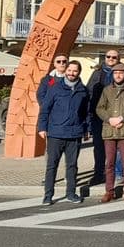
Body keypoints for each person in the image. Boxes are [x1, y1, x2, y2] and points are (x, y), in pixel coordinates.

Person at [37, 60, 89, 205]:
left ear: (79, 72)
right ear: (65, 71)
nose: (72, 73)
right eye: (70, 70)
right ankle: (48, 195)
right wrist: (42, 128)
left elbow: (86, 113)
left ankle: (71, 193)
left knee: (72, 166)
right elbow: (45, 109)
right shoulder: (55, 88)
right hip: (56, 133)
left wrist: (86, 130)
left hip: (74, 134)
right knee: (52, 166)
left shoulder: (83, 90)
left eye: (75, 71)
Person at [96, 63, 124, 203]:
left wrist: (123, 118)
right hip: (109, 130)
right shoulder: (107, 90)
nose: (118, 75)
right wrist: (109, 119)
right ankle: (109, 191)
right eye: (116, 73)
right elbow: (100, 108)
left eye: (121, 73)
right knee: (109, 163)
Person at [86, 49, 121, 184]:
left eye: (114, 57)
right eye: (108, 56)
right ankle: (98, 173)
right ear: (105, 58)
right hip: (98, 116)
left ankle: (117, 174)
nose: (111, 58)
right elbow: (89, 93)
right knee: (99, 147)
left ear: (119, 58)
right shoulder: (97, 73)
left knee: (117, 147)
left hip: (116, 116)